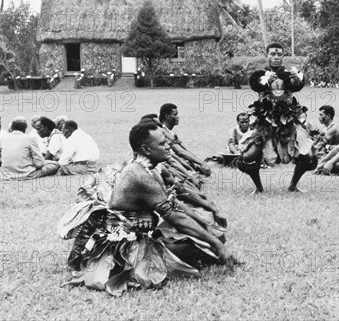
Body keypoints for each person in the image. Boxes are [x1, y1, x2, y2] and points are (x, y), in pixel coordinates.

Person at [58, 121, 237, 296]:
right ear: (146, 149)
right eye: (162, 143)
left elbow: (176, 202)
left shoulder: (155, 168)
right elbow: (174, 216)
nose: (168, 147)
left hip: (143, 229)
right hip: (120, 242)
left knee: (205, 235)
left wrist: (207, 224)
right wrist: (216, 244)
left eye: (167, 141)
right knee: (192, 250)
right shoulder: (139, 174)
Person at [235, 42, 316, 193]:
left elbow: (296, 84)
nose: (276, 56)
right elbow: (257, 85)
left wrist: (295, 81)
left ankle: (293, 185)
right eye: (273, 53)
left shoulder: (290, 74)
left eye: (279, 53)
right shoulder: (258, 75)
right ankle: (259, 187)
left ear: (283, 55)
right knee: (248, 156)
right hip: (265, 122)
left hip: (288, 121)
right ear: (267, 56)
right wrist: (267, 82)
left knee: (309, 156)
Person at [159, 103, 211, 176]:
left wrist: (200, 163)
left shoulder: (172, 133)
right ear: (167, 116)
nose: (177, 117)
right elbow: (180, 152)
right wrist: (201, 163)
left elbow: (185, 150)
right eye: (175, 114)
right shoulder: (163, 131)